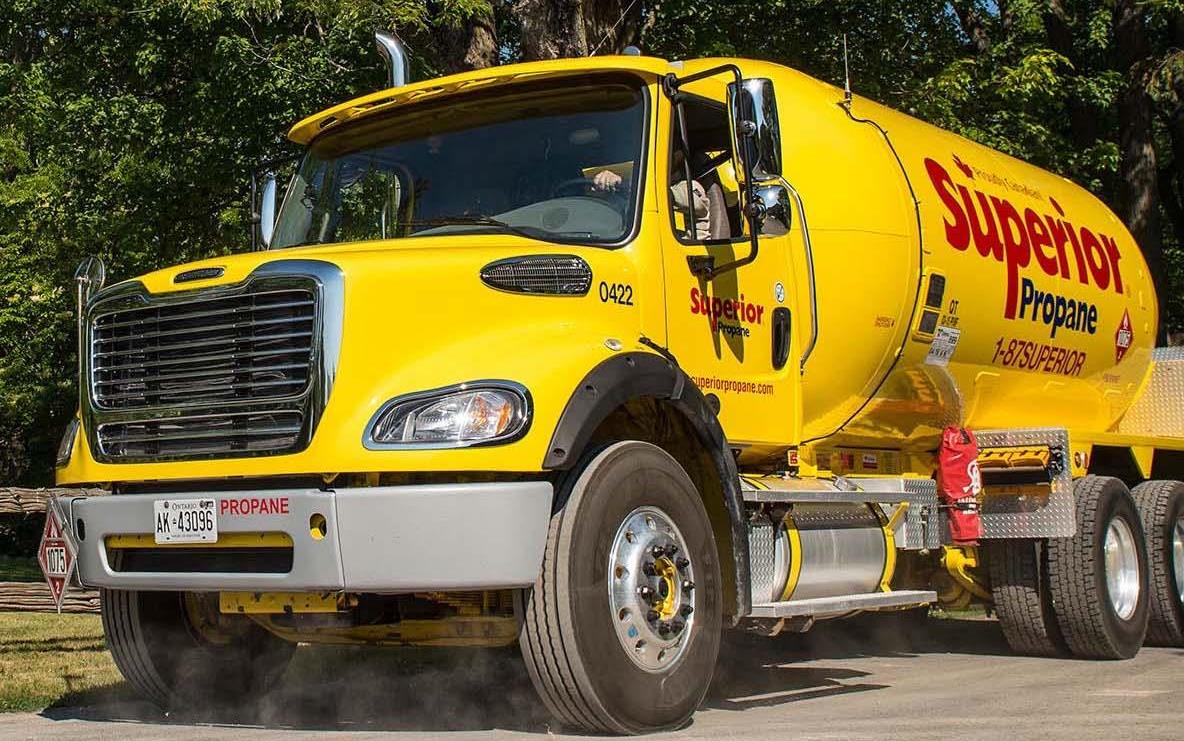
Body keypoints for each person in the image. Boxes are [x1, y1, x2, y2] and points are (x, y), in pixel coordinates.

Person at [591, 157, 712, 239]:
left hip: (687, 259)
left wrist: (622, 184)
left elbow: (668, 196)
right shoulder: (635, 193)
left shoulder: (690, 187)